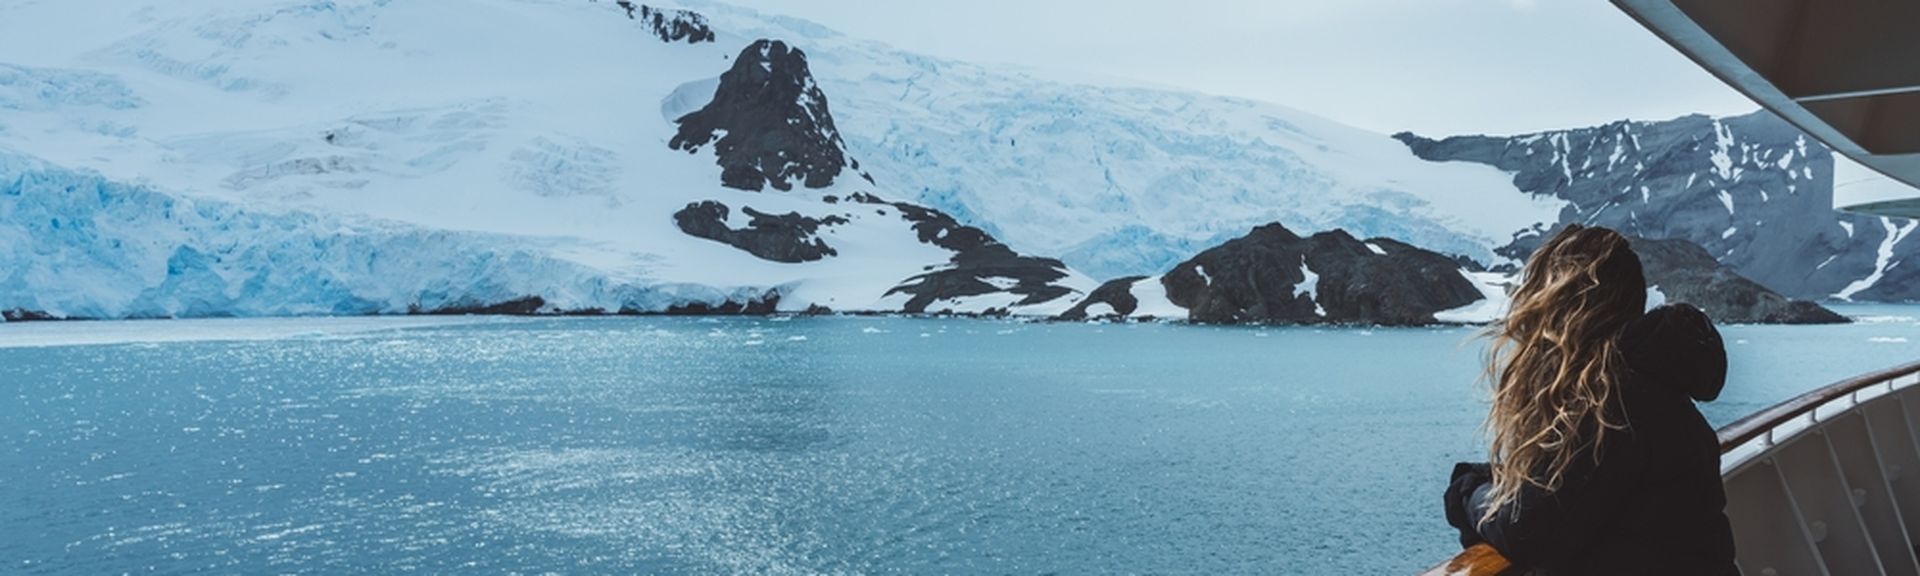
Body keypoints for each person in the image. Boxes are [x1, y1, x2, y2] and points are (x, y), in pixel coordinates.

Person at [1442, 225, 1737, 575]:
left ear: (1561, 308)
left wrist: (1467, 490)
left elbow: (1526, 532)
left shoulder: (1614, 407)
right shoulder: (1654, 393)